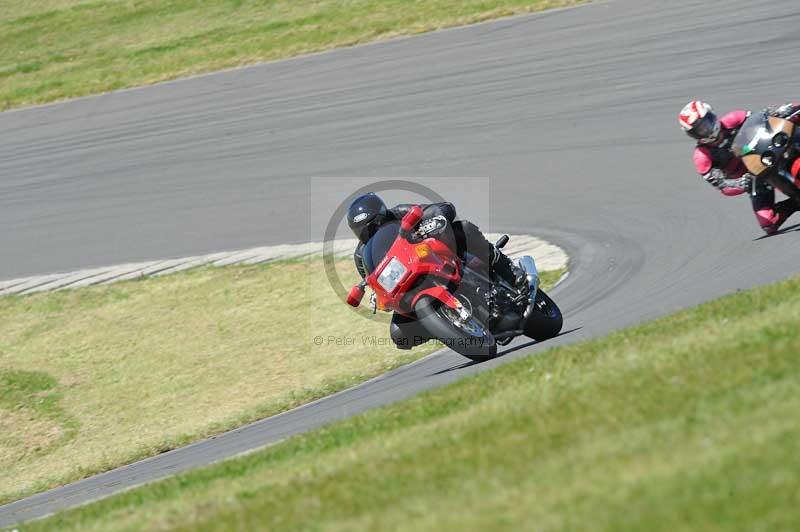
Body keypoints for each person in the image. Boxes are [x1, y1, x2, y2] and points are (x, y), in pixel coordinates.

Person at [346, 192, 526, 349]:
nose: (372, 231)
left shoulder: (400, 213)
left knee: (463, 229)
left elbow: (441, 208)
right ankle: (448, 326)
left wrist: (434, 221)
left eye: (374, 224)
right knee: (399, 334)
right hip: (405, 284)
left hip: (432, 257)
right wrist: (376, 293)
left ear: (383, 214)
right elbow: (371, 279)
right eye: (363, 231)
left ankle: (508, 269)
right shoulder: (361, 256)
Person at [679, 100, 800, 235]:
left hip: (770, 149)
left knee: (793, 115)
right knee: (769, 222)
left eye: (706, 124)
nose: (705, 131)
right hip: (753, 176)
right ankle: (796, 201)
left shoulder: (733, 118)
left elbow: (763, 119)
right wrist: (741, 183)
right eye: (699, 131)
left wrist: (779, 111)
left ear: (712, 116)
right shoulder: (702, 157)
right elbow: (722, 185)